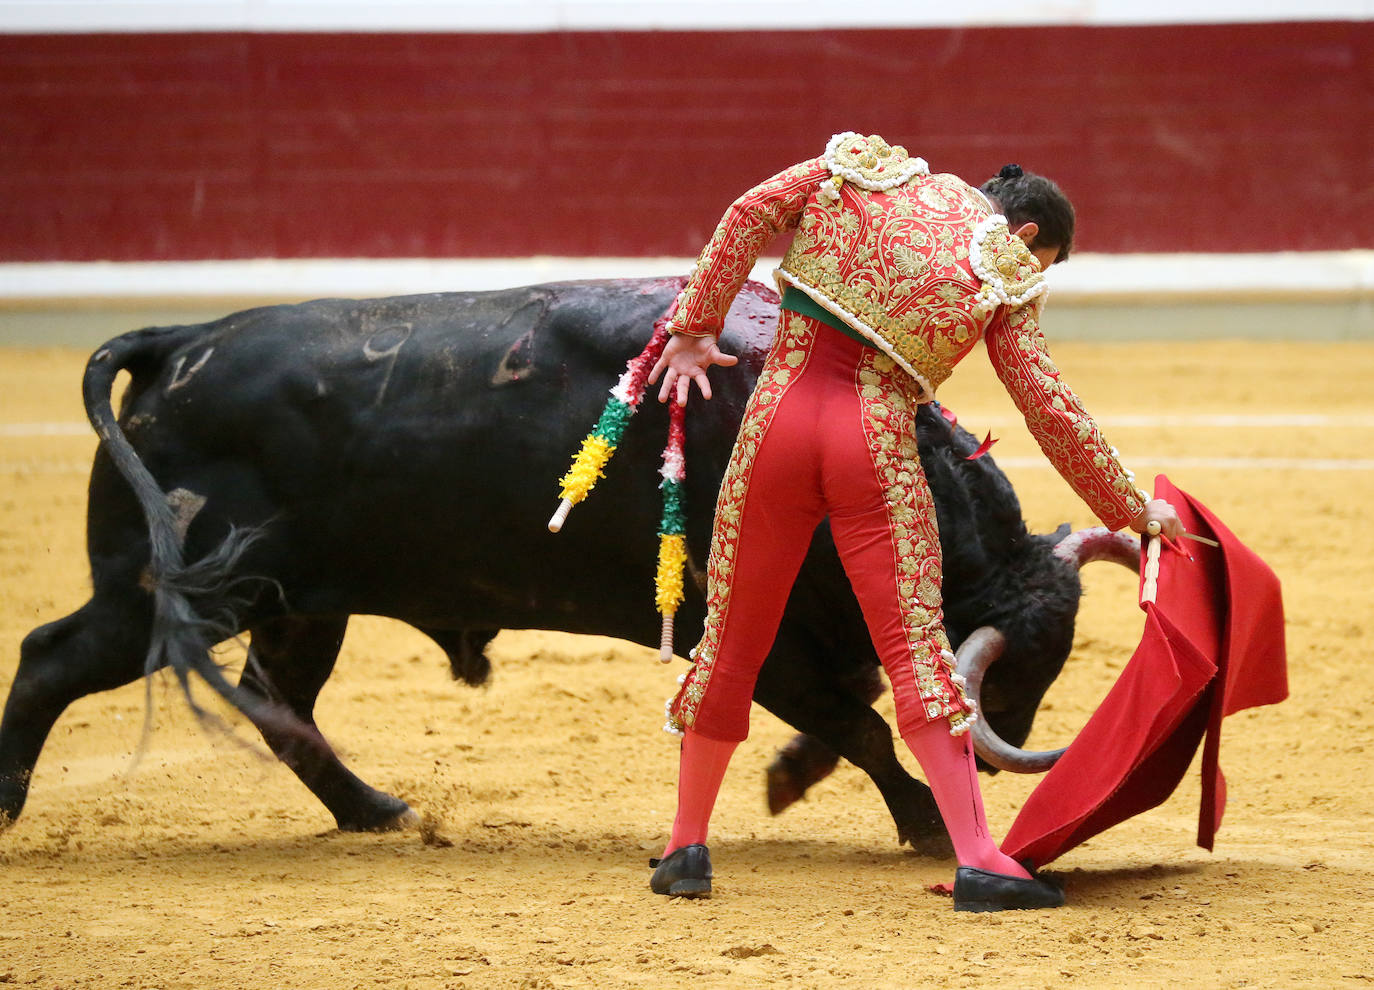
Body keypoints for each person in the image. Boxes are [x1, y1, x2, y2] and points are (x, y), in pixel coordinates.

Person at [645, 132, 1182, 911]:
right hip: (874, 441)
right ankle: (980, 859)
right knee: (913, 646)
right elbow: (1046, 405)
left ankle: (686, 847)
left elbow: (750, 210)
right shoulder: (1000, 265)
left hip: (776, 424)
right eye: (1041, 261)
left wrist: (696, 324)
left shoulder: (870, 172)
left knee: (732, 636)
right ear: (1025, 235)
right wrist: (1129, 507)